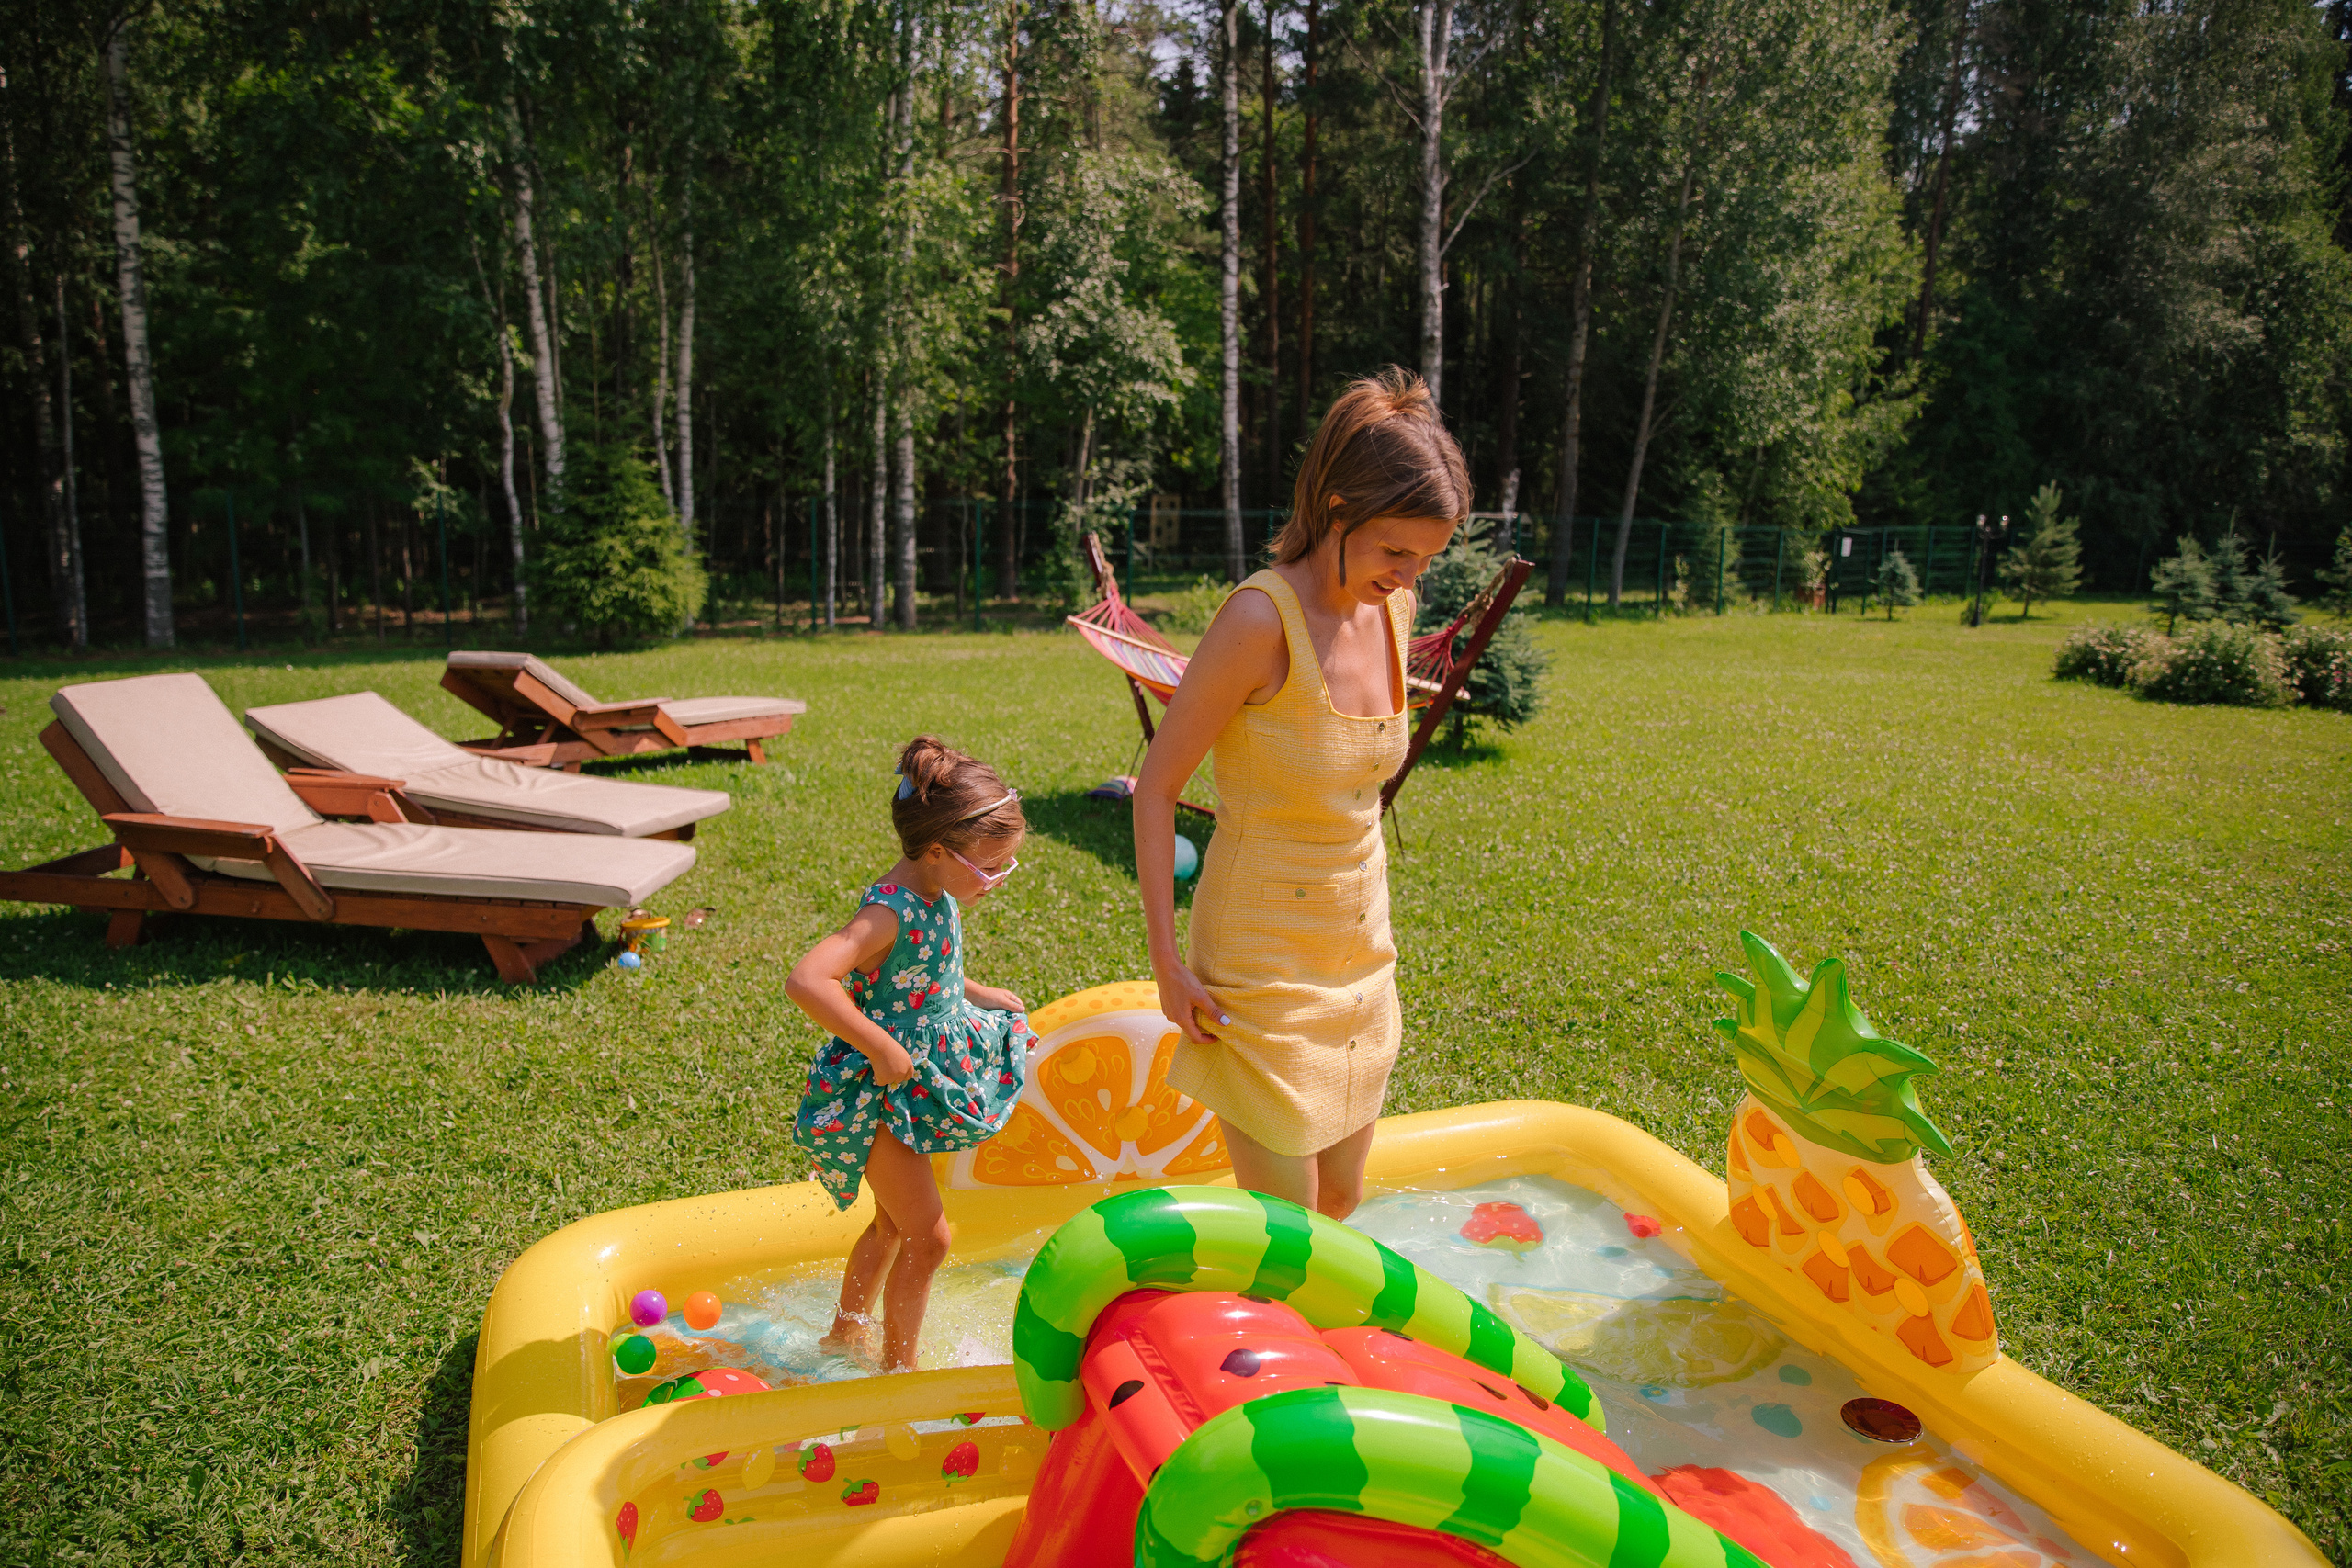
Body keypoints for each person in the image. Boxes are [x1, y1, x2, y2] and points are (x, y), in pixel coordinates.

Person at [1134, 367, 1467, 1221]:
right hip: (1261, 959)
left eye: (1426, 557)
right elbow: (1158, 789)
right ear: (1338, 508)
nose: (1408, 573)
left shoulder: (1393, 611)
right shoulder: (1258, 621)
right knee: (1290, 1229)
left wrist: (1400, 575)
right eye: (1396, 549)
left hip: (1359, 950)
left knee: (1344, 1204)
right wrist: (1168, 967)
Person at [786, 736, 1035, 1371]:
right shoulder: (886, 912)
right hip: (874, 1091)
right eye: (990, 867)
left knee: (896, 1226)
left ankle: (845, 1335)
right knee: (930, 1239)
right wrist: (880, 1045)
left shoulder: (938, 892)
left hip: (904, 1084)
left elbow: (916, 970)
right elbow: (809, 979)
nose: (998, 880)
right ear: (935, 850)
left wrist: (973, 989)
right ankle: (901, 1369)